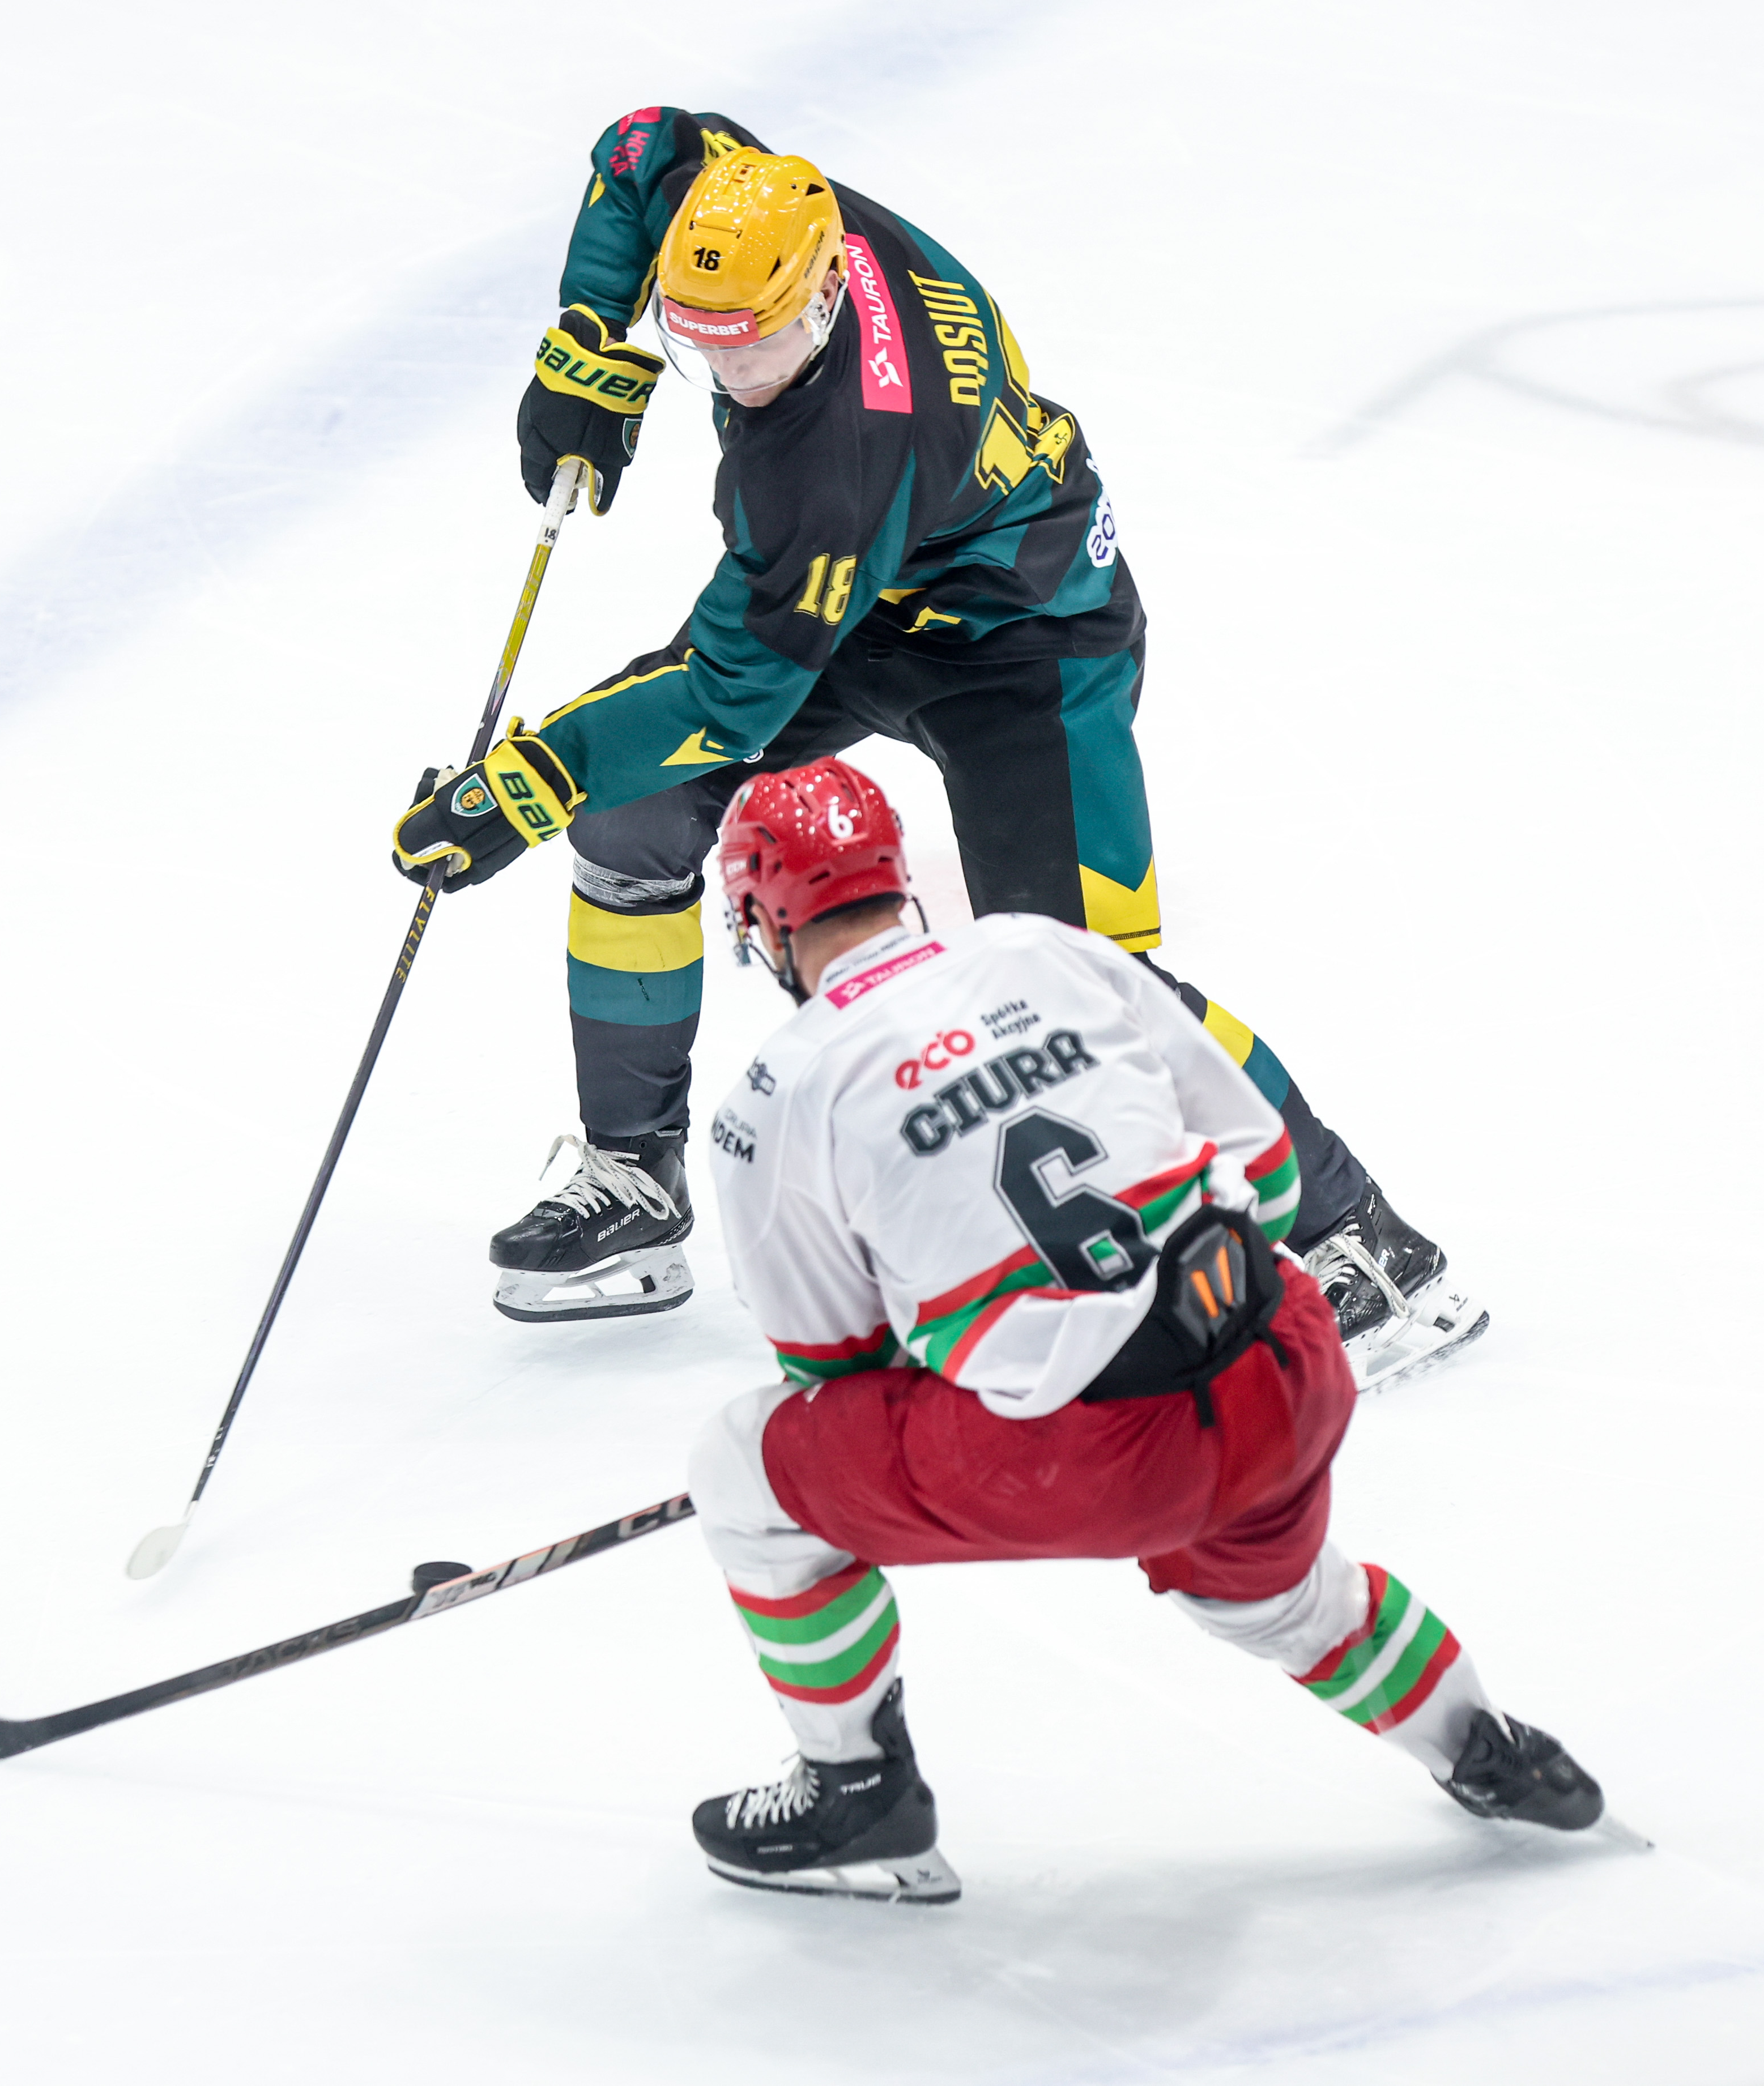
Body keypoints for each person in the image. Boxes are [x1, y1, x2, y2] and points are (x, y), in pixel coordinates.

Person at [390, 108, 1478, 1387]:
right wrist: (591, 343)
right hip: (866, 605)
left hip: (1026, 640)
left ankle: (1362, 1239)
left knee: (1088, 985)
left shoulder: (841, 456)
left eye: (756, 345)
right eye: (701, 345)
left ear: (820, 298)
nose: (733, 375)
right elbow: (641, 149)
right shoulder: (757, 207)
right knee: (634, 820)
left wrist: (528, 782)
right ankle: (635, 1174)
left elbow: (733, 695)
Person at [669, 757, 1601, 1902]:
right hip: (1280, 1368)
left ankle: (856, 1791)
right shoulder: (1039, 949)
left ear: (761, 919)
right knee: (1279, 1597)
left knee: (744, 1468)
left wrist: (994, 1315)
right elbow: (1268, 1171)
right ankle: (1487, 1748)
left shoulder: (773, 1094)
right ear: (896, 872)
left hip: (1089, 1461)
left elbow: (832, 1372)